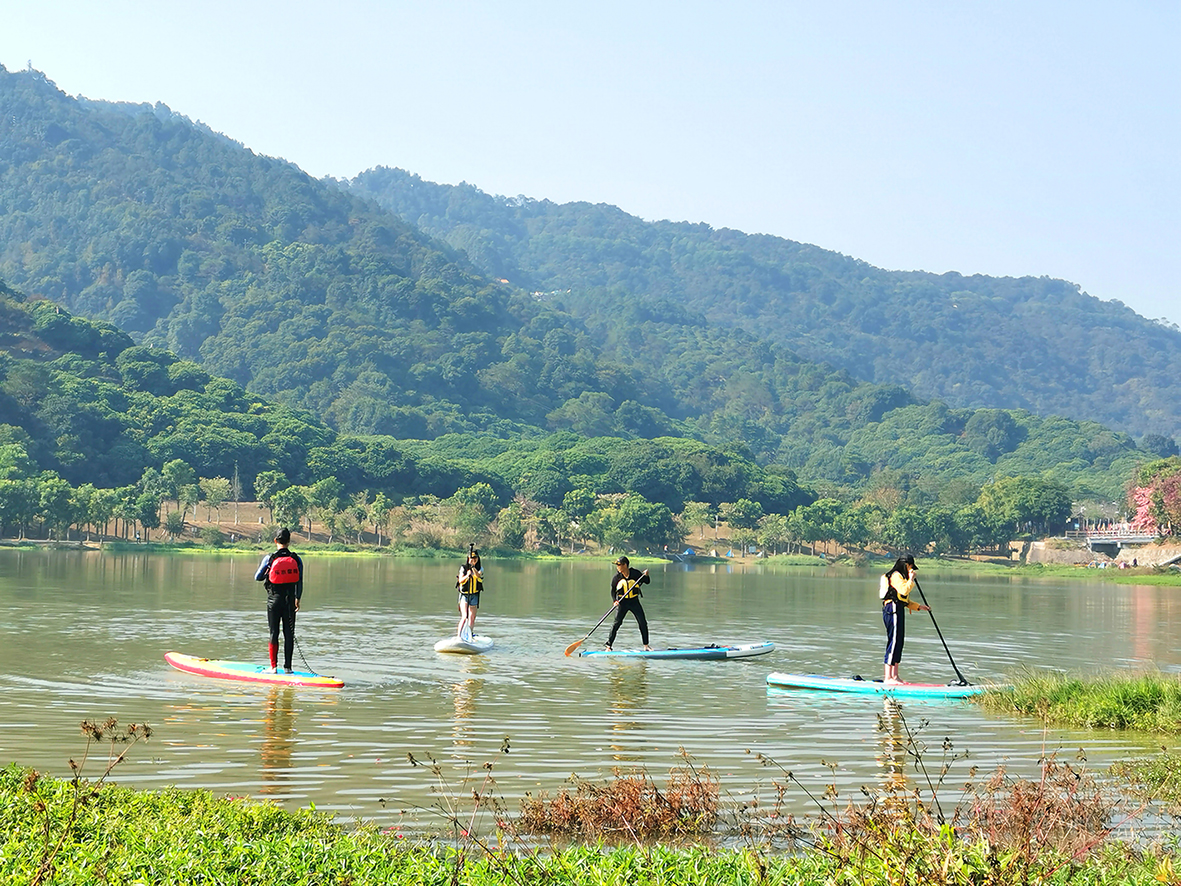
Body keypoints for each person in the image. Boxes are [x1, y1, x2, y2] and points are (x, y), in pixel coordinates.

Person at [254, 527, 303, 673]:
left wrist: (268, 573)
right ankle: (288, 668)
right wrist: (297, 599)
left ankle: (273, 668)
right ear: (289, 541)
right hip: (290, 602)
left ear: (275, 540)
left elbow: (257, 577)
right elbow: (300, 581)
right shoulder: (296, 558)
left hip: (273, 600)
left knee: (273, 633)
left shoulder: (269, 558)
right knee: (289, 634)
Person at [881, 554, 928, 685]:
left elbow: (904, 600)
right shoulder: (896, 575)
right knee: (894, 641)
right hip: (892, 610)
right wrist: (911, 579)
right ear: (906, 565)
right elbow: (903, 591)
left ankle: (895, 676)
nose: (911, 570)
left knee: (899, 641)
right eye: (910, 567)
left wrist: (919, 607)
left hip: (898, 608)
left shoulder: (901, 577)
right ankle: (888, 677)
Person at [606, 556, 651, 651]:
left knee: (642, 622)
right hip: (622, 602)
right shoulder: (616, 578)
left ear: (625, 565)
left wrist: (646, 575)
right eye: (617, 565)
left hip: (634, 602)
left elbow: (647, 582)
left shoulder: (635, 574)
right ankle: (608, 646)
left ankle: (646, 646)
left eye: (619, 565)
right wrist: (615, 601)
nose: (617, 567)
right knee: (616, 623)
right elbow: (613, 591)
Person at [456, 547, 483, 638]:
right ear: (468, 559)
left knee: (472, 617)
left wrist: (473, 568)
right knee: (465, 616)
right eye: (472, 559)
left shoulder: (480, 568)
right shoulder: (463, 568)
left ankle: (469, 634)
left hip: (474, 595)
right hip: (464, 595)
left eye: (475, 559)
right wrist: (467, 575)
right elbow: (460, 580)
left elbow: (478, 575)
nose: (473, 560)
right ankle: (459, 636)